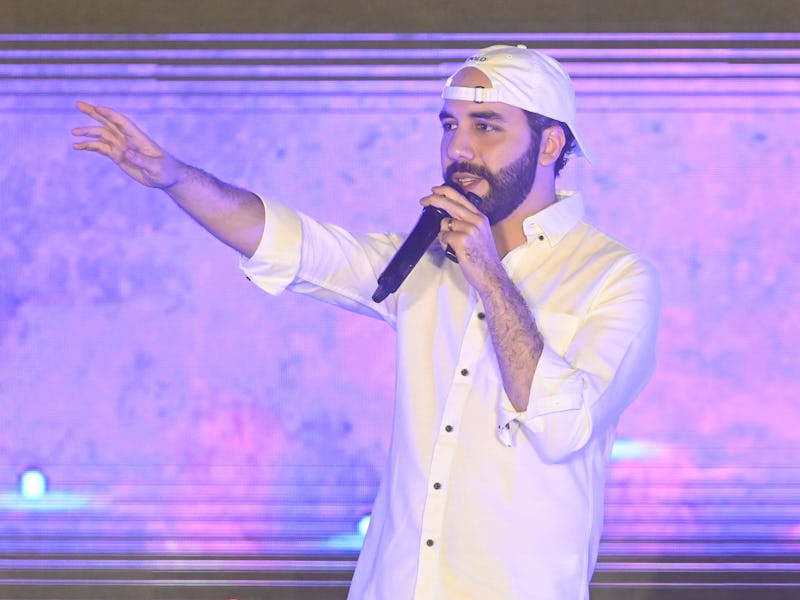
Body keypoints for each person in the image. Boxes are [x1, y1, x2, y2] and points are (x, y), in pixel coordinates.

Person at [72, 44, 660, 600]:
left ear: (551, 143)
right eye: (449, 125)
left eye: (487, 127)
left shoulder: (615, 278)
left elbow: (562, 428)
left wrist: (489, 274)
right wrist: (176, 177)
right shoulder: (423, 263)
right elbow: (293, 244)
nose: (459, 148)